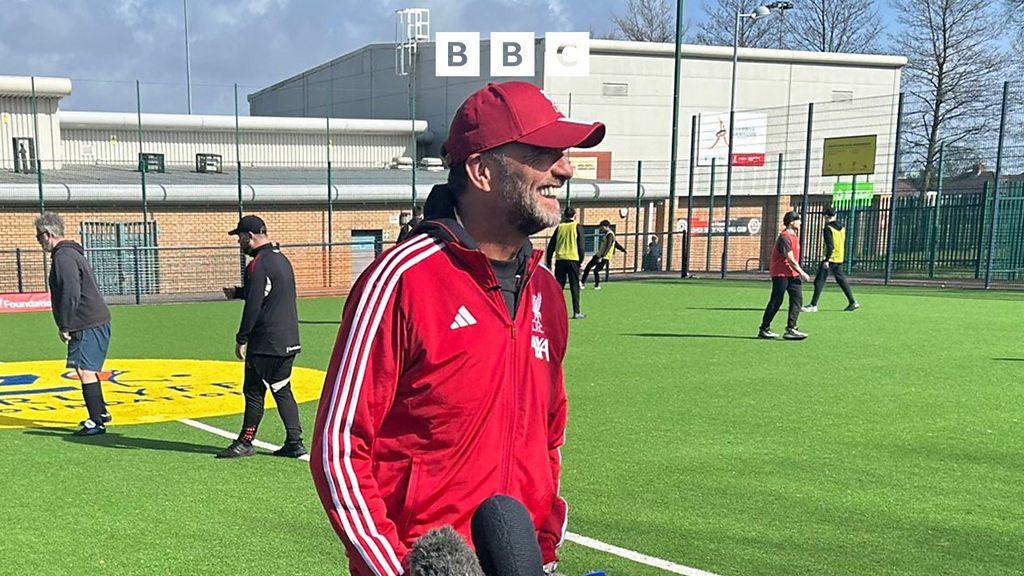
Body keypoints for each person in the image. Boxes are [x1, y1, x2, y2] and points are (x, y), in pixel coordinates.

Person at [310, 80, 605, 576]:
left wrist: (541, 548)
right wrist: (396, 569)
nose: (564, 168)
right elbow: (339, 445)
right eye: (541, 153)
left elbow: (549, 436)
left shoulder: (547, 292)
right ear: (481, 171)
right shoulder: (401, 280)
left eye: (562, 154)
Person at [218, 215, 306, 459]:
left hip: (266, 342)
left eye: (240, 237)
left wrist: (241, 338)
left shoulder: (258, 264)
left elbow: (254, 305)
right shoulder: (281, 259)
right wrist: (239, 292)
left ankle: (245, 441)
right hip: (288, 339)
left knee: (254, 391)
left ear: (250, 236)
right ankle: (295, 442)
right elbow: (268, 292)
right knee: (282, 388)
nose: (238, 242)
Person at [34, 212, 113, 436]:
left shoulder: (64, 257)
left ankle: (96, 421)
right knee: (87, 368)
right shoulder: (70, 253)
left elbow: (70, 292)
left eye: (38, 237)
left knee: (84, 370)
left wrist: (65, 325)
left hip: (86, 321)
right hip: (92, 319)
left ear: (48, 234)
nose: (39, 242)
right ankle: (101, 412)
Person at [759, 211, 812, 340]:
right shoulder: (784, 237)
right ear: (791, 222)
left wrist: (797, 272)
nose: (800, 223)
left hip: (792, 274)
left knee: (797, 300)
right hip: (781, 273)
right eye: (798, 220)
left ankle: (791, 329)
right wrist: (802, 273)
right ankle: (764, 329)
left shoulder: (794, 236)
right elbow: (790, 259)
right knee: (776, 300)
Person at [803, 207, 860, 312]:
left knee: (819, 281)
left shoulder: (828, 228)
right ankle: (853, 302)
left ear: (826, 217)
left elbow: (830, 245)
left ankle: (813, 305)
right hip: (839, 257)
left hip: (831, 259)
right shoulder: (842, 228)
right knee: (842, 281)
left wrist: (827, 260)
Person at [544, 206, 585, 318]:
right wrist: (581, 260)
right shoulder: (577, 227)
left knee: (558, 287)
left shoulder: (559, 227)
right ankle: (576, 312)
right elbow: (581, 246)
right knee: (574, 286)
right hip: (573, 259)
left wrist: (549, 261)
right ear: (575, 215)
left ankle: (555, 311)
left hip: (560, 260)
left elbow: (551, 246)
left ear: (564, 215)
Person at [581, 220, 618, 289]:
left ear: (606, 226)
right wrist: (623, 249)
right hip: (598, 255)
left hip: (604, 257)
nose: (601, 229)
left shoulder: (610, 235)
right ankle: (582, 283)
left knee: (596, 270)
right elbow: (616, 244)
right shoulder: (606, 234)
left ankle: (597, 284)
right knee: (588, 267)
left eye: (602, 227)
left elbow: (608, 246)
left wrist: (602, 256)